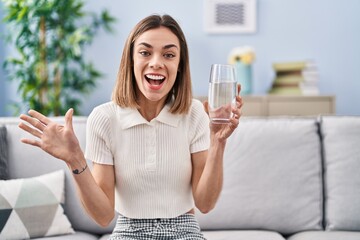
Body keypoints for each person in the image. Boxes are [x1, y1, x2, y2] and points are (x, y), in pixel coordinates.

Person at [19, 14, 243, 240]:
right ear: (131, 61)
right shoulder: (104, 118)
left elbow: (205, 203)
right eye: (145, 52)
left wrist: (218, 142)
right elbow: (104, 216)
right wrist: (75, 159)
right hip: (129, 231)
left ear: (179, 65)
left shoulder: (194, 113)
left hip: (184, 229)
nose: (156, 62)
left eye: (169, 54)